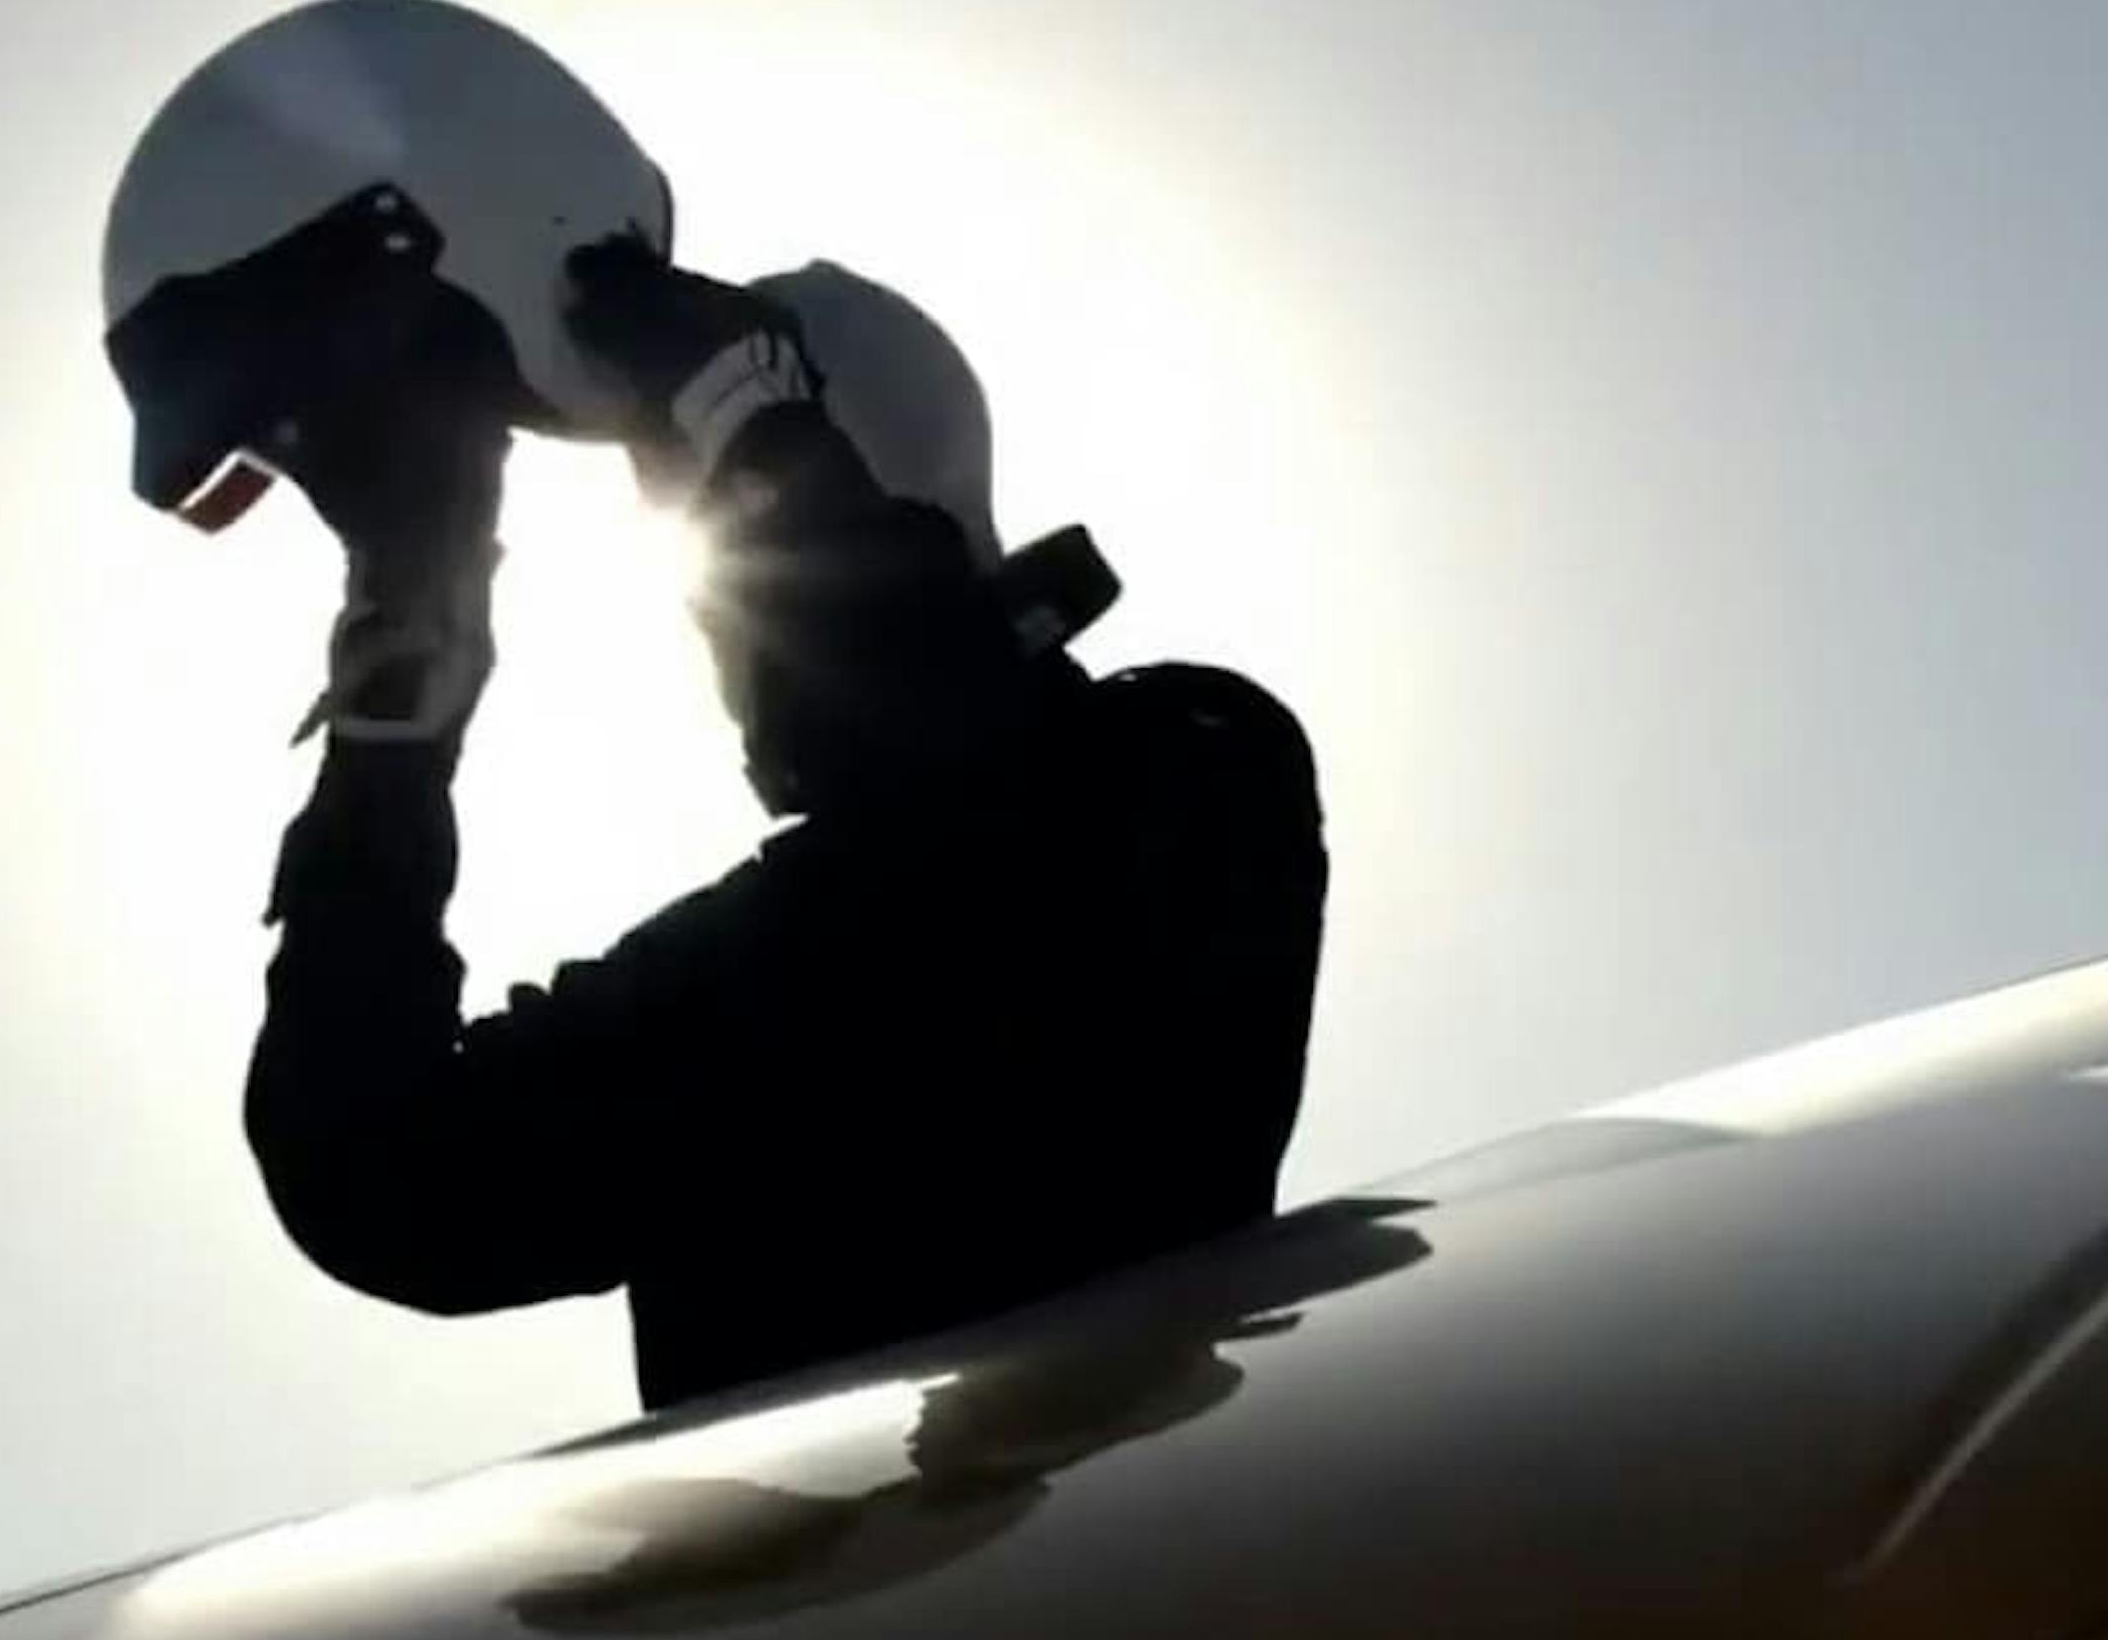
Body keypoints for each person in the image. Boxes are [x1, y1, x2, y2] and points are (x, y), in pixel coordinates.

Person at [234, 242, 1327, 1407]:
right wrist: (407, 657)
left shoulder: (1192, 757)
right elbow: (372, 1170)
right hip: (890, 1594)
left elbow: (968, 817)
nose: (725, 647)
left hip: (1159, 1567)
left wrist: (749, 419)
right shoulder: (735, 982)